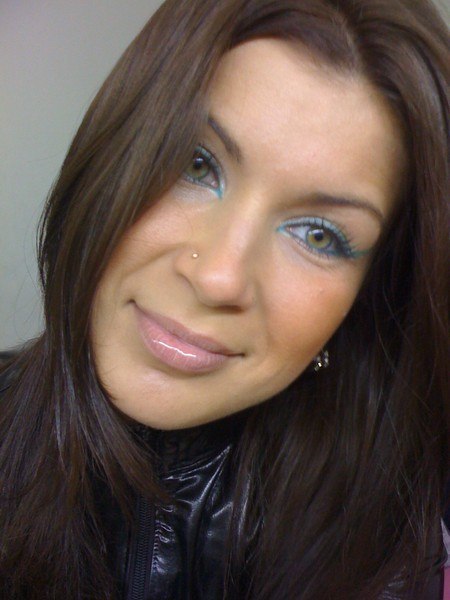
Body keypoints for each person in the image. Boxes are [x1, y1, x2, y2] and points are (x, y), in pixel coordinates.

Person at [0, 0, 449, 598]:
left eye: (319, 235)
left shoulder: (411, 545)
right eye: (195, 164)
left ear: (366, 297)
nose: (218, 277)